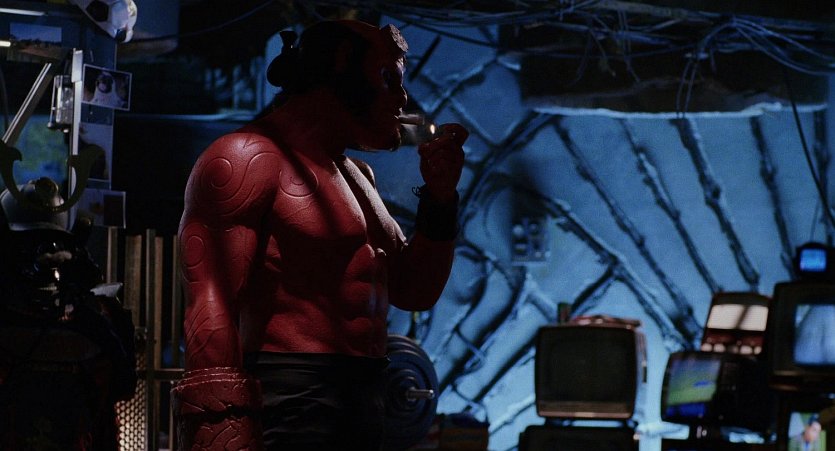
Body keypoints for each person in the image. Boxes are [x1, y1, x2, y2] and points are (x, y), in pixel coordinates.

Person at [172, 19, 468, 451]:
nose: (402, 98)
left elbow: (414, 290)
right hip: (289, 399)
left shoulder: (358, 176)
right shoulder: (245, 159)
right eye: (388, 78)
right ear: (342, 66)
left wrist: (440, 200)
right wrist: (222, 433)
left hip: (366, 397)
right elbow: (210, 303)